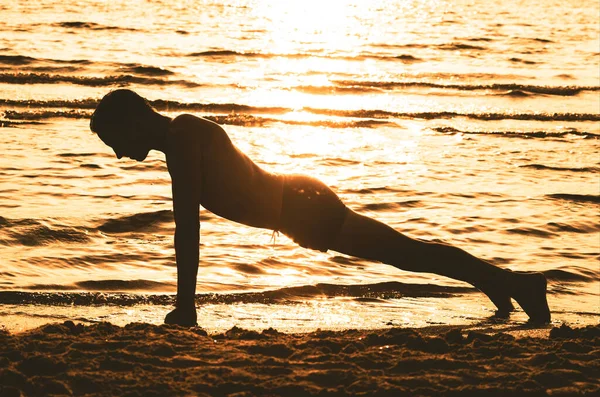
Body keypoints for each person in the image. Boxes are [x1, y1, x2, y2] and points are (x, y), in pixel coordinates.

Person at [89, 89, 551, 326]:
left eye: (115, 141)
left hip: (304, 206)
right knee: (407, 252)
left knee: (407, 253)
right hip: (299, 204)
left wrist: (185, 307)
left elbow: (187, 229)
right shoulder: (179, 139)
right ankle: (497, 281)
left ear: (133, 120)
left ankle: (517, 283)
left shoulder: (182, 138)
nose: (117, 154)